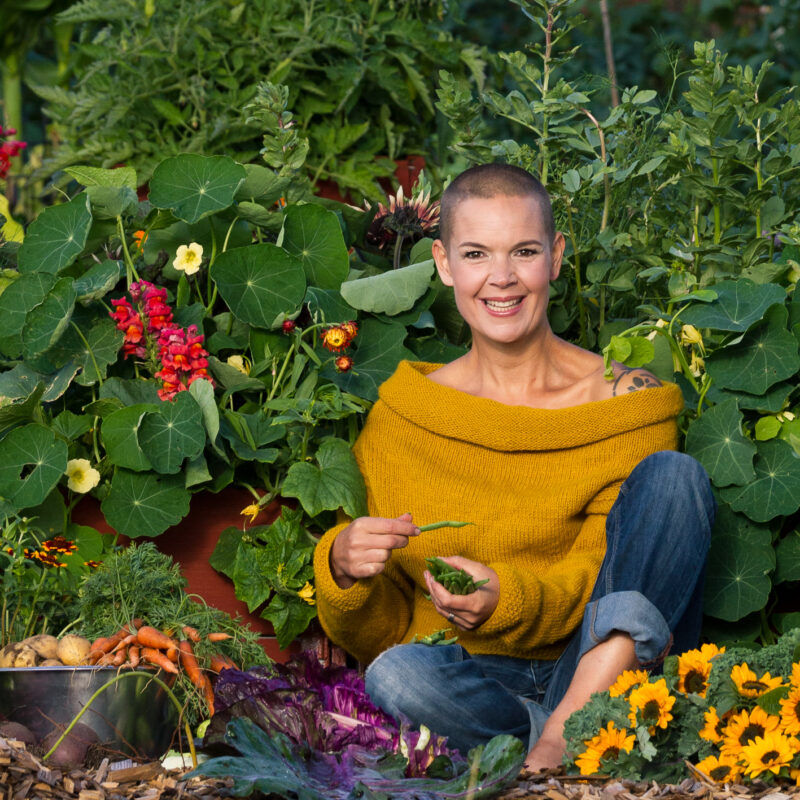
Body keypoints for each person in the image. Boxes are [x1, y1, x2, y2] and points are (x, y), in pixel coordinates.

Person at [312, 163, 715, 771]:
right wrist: (343, 566)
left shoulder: (625, 402)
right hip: (478, 681)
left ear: (554, 257)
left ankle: (568, 726)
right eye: (477, 254)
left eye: (523, 251)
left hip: (604, 657)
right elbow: (383, 633)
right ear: (445, 264)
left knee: (676, 480)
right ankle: (559, 732)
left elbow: (619, 570)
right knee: (398, 675)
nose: (501, 279)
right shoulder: (402, 420)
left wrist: (510, 600)